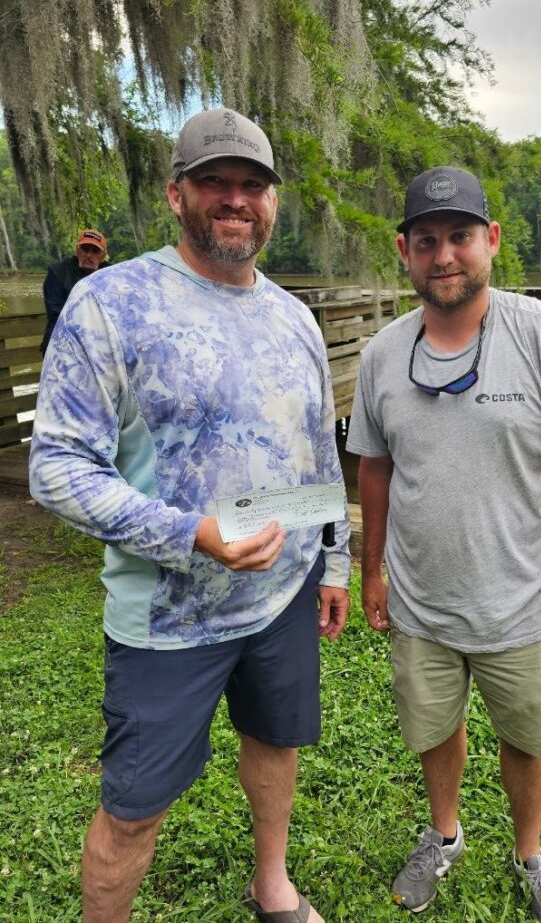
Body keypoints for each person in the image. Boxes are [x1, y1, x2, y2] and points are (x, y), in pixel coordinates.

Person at [29, 107, 351, 923]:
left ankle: (270, 883)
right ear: (176, 195)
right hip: (166, 619)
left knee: (275, 744)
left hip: (280, 598)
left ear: (273, 203)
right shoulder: (110, 303)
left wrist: (334, 561)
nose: (235, 200)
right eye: (215, 182)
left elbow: (317, 455)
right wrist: (190, 537)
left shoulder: (294, 320)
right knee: (134, 805)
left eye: (253, 185)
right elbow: (57, 466)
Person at [346, 166, 541, 923]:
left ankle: (531, 853)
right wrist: (374, 572)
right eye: (425, 241)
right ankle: (445, 834)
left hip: (520, 603)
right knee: (436, 726)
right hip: (423, 602)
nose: (444, 256)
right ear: (404, 251)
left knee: (527, 736)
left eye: (460, 236)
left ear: (490, 239)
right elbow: (375, 470)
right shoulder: (382, 356)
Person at [40, 228, 109, 354]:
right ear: (77, 250)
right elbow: (56, 315)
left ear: (103, 256)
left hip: (98, 347)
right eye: (85, 249)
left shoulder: (110, 274)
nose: (89, 255)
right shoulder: (58, 272)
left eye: (95, 251)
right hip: (60, 346)